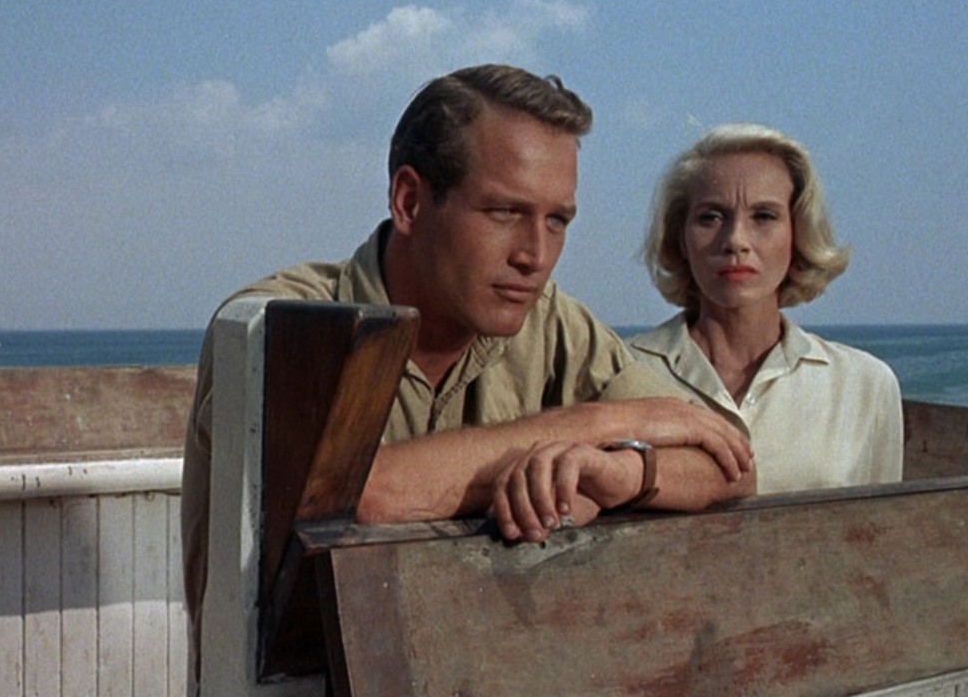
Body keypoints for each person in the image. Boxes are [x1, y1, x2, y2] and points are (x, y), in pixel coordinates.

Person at [181, 65, 756, 690]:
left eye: (557, 221)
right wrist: (598, 422)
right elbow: (358, 495)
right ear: (409, 201)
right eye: (505, 211)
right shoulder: (278, 324)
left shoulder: (551, 323)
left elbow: (731, 463)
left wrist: (620, 475)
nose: (535, 255)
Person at [626, 123, 903, 494]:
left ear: (798, 232)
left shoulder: (864, 385)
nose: (735, 240)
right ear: (680, 236)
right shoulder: (622, 369)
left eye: (764, 216)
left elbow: (882, 524)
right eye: (711, 217)